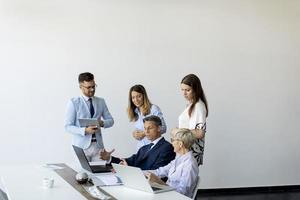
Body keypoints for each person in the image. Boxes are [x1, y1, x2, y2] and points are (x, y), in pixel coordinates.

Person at [65, 72, 114, 161]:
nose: (92, 89)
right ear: (80, 87)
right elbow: (68, 126)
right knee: (83, 174)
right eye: (88, 87)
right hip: (81, 147)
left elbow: (111, 121)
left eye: (93, 86)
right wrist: (84, 131)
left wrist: (102, 123)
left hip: (98, 147)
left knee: (101, 174)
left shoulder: (101, 101)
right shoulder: (73, 102)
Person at [100, 115, 175, 170]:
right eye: (145, 128)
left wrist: (129, 169)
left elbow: (157, 172)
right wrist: (109, 158)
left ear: (159, 128)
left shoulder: (167, 147)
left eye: (150, 128)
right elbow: (128, 161)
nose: (146, 131)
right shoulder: (144, 148)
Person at [146, 128, 199, 198]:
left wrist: (159, 182)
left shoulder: (190, 165)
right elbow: (160, 171)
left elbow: (182, 193)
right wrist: (140, 173)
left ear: (180, 144)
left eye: (173, 140)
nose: (172, 143)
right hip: (167, 194)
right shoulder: (178, 158)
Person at [172, 74, 208, 165]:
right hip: (184, 150)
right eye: (182, 90)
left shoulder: (198, 106)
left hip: (190, 152)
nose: (184, 93)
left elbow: (200, 133)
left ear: (196, 90)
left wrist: (178, 131)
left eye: (187, 90)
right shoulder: (191, 105)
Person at [127, 84, 167, 150]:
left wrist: (144, 133)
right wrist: (135, 134)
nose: (136, 100)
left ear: (144, 96)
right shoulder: (135, 112)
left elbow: (163, 128)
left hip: (154, 148)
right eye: (133, 97)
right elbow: (140, 129)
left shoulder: (154, 109)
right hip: (141, 149)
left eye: (139, 96)